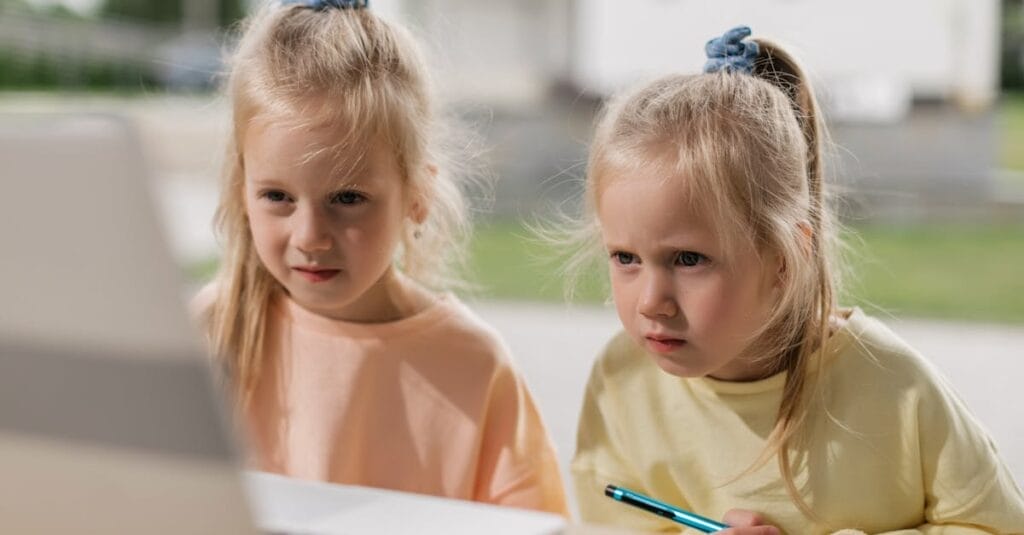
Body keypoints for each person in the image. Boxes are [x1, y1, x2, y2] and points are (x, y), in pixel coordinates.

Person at [569, 26, 1024, 533]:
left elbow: (995, 525)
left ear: (786, 258)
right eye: (626, 257)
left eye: (689, 259)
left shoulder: (896, 388)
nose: (652, 302)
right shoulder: (621, 379)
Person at [192, 0, 567, 515]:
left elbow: (534, 524)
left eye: (347, 199)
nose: (310, 236)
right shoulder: (204, 334)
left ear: (416, 195)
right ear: (241, 188)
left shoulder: (475, 365)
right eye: (277, 197)